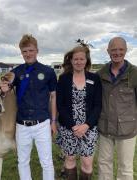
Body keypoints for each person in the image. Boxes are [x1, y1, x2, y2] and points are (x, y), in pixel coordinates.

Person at [1, 34, 57, 180]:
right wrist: (4, 88)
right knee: (23, 161)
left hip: (42, 123)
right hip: (22, 125)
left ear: (37, 50)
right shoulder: (16, 72)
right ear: (21, 52)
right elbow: (6, 88)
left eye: (31, 50)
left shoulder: (48, 72)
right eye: (24, 51)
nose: (28, 54)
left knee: (46, 162)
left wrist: (53, 121)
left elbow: (53, 97)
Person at [56, 42, 102, 180]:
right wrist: (73, 126)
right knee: (70, 159)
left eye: (82, 59)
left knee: (87, 162)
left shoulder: (94, 78)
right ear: (71, 60)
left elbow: (98, 105)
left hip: (89, 127)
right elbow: (60, 105)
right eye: (75, 59)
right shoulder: (63, 79)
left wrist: (86, 125)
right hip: (69, 127)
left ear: (86, 60)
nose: (78, 61)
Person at [97, 37, 137, 180]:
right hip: (104, 128)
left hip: (127, 129)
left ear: (126, 50)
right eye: (114, 49)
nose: (117, 52)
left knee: (125, 168)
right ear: (108, 51)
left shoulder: (134, 73)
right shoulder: (100, 74)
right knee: (103, 164)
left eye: (121, 49)